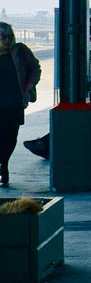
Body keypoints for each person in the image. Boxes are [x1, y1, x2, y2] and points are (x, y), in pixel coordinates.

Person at [0, 22, 41, 187]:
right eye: (2, 36)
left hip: (14, 103)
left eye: (8, 36)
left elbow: (35, 68)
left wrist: (28, 85)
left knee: (10, 137)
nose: (5, 39)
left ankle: (4, 164)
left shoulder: (20, 51)